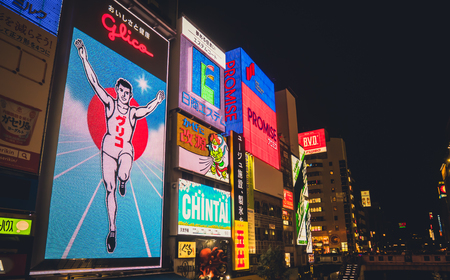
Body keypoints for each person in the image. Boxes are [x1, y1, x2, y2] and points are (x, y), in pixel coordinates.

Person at [75, 38, 165, 253]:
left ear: (130, 95)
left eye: (127, 93)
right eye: (120, 91)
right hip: (108, 150)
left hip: (125, 149)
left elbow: (146, 109)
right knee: (109, 188)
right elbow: (94, 82)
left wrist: (158, 100)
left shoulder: (133, 112)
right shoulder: (110, 104)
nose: (123, 95)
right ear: (116, 91)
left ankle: (124, 179)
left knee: (123, 174)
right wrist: (83, 57)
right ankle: (112, 229)